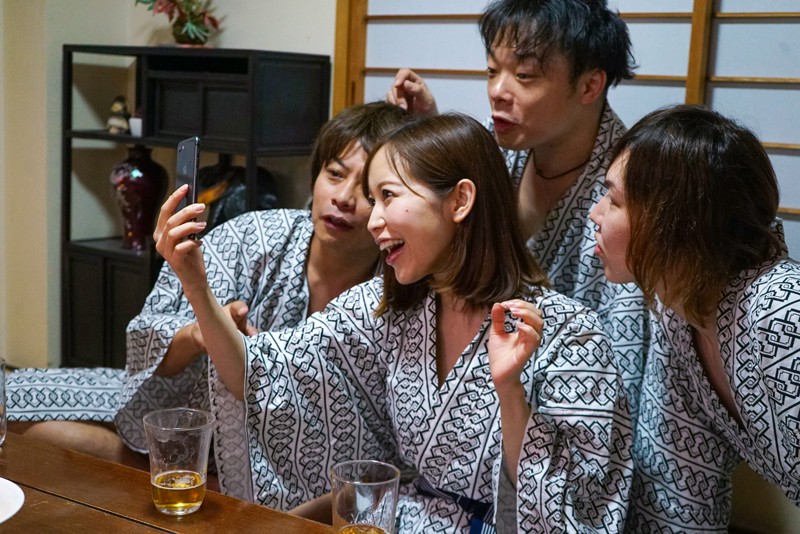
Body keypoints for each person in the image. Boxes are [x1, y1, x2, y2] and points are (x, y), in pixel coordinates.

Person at [159, 112, 634, 531]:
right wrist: (195, 284)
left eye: (387, 196)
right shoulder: (389, 308)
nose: (373, 220)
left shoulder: (572, 338)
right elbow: (257, 372)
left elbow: (576, 513)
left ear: (460, 200)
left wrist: (510, 391)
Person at [5, 102, 410, 484]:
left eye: (369, 191)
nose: (342, 198)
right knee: (15, 402)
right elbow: (150, 342)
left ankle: (195, 482)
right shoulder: (254, 236)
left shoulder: (400, 286)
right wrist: (200, 334)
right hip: (182, 405)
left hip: (304, 464)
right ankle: (182, 476)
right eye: (335, 174)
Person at [386, 0, 650, 416]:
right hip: (481, 399)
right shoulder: (499, 151)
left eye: (524, 75)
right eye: (493, 71)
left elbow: (627, 361)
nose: (497, 91)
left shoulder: (629, 191)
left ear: (589, 86)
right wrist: (433, 142)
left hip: (578, 411)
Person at [589, 104, 800, 531]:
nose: (596, 213)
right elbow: (680, 491)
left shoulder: (781, 309)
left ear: (674, 223)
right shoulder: (677, 315)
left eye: (613, 200)